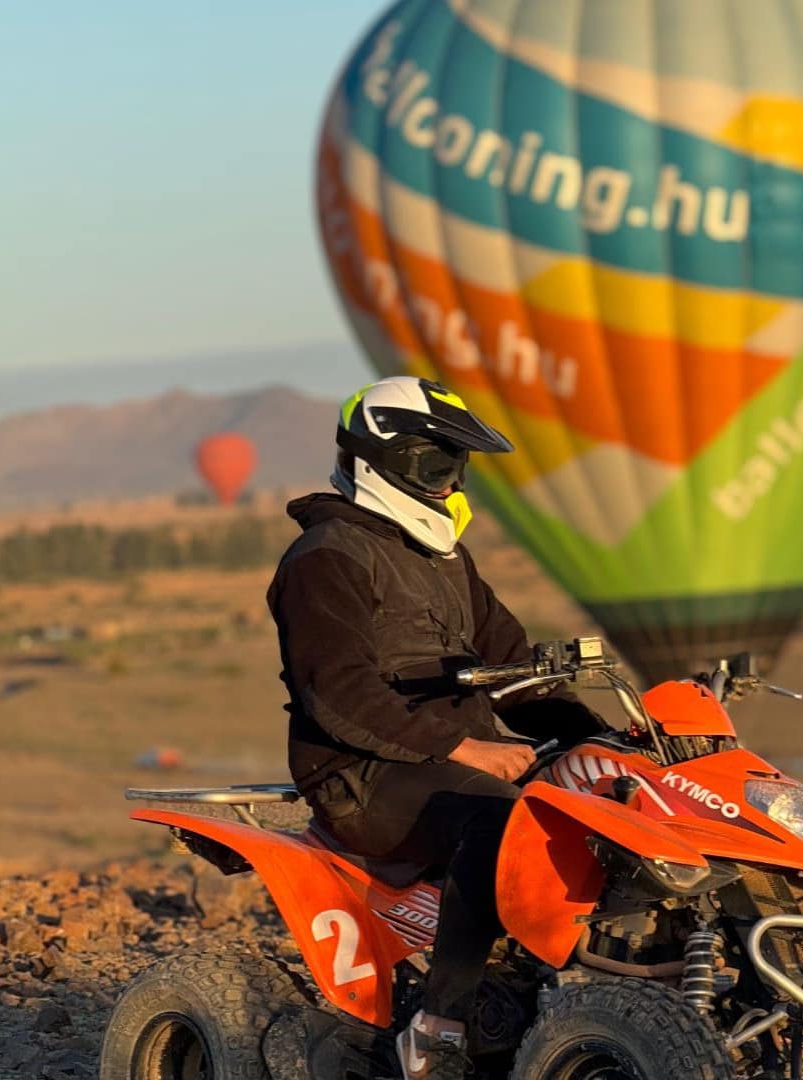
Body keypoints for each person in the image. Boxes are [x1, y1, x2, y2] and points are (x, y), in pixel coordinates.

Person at [266, 376, 604, 1080]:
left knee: (607, 801)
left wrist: (597, 736)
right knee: (502, 824)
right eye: (434, 465)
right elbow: (338, 691)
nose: (449, 484)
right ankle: (439, 1027)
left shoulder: (445, 558)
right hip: (360, 774)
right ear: (374, 463)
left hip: (456, 757)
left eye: (457, 466)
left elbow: (515, 666)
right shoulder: (325, 557)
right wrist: (465, 747)